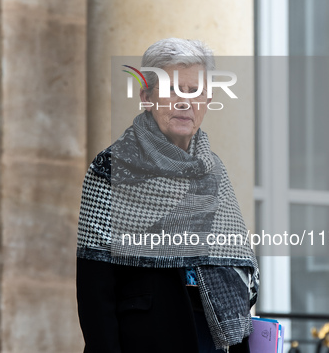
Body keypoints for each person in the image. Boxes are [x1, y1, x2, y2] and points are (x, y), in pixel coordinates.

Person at [76, 38, 259, 353]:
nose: (184, 102)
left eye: (195, 92)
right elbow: (95, 288)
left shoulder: (215, 172)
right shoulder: (111, 167)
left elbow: (235, 272)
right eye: (173, 89)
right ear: (147, 97)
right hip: (147, 338)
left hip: (215, 339)